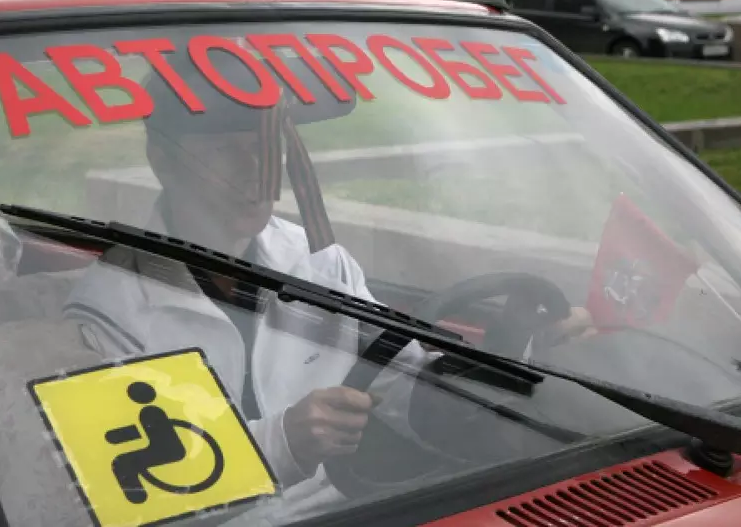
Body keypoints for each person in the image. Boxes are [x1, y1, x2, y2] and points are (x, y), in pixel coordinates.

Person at [61, 42, 593, 515]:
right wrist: (283, 442)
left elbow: (404, 381)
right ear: (162, 160)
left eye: (265, 145)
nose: (255, 171)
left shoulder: (317, 261)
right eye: (224, 150)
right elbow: (129, 493)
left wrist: (512, 356)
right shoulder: (106, 310)